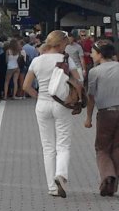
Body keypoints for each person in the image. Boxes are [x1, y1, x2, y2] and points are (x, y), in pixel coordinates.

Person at [23, 29, 80, 198]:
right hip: (62, 104)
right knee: (63, 144)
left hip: (42, 104)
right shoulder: (66, 60)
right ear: (61, 44)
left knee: (48, 147)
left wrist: (38, 96)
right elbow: (78, 80)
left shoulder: (37, 60)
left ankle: (52, 188)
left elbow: (26, 86)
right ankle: (60, 174)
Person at [83, 40, 119, 196]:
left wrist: (88, 118)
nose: (91, 55)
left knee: (102, 148)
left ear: (100, 54)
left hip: (106, 113)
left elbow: (91, 97)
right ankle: (112, 184)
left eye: (93, 52)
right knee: (117, 147)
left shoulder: (95, 72)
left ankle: (107, 175)